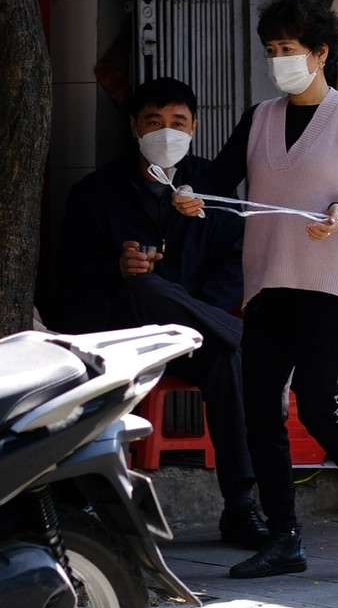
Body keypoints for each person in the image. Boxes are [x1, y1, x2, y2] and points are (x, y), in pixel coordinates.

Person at [173, 0, 338, 579]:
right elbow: (221, 178)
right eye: (272, 50)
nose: (279, 59)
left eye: (289, 49)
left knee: (321, 407)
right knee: (261, 410)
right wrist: (187, 192)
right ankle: (284, 539)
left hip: (329, 284)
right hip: (269, 282)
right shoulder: (259, 118)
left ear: (321, 54)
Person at [48, 77, 267, 550]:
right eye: (154, 122)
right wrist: (117, 270)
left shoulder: (214, 188)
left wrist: (195, 313)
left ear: (195, 127)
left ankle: (241, 506)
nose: (166, 132)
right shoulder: (97, 192)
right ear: (134, 127)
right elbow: (67, 275)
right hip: (120, 337)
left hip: (196, 333)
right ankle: (240, 336)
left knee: (225, 362)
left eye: (177, 123)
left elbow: (237, 264)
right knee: (148, 286)